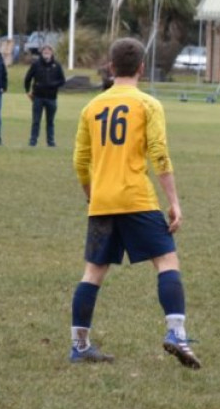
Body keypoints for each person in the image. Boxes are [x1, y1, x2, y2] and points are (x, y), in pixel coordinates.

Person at [68, 37, 199, 368]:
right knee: (166, 261)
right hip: (137, 198)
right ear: (142, 67)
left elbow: (80, 160)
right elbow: (159, 153)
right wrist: (174, 203)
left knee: (93, 271)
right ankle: (176, 334)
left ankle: (79, 346)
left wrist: (91, 195)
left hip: (102, 201)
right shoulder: (148, 105)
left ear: (111, 68)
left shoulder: (91, 107)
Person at [24, 44, 66, 147]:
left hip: (51, 98)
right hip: (38, 97)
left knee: (50, 121)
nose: (46, 53)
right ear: (41, 53)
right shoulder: (36, 64)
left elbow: (62, 81)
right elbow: (28, 78)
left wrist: (53, 85)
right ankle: (33, 141)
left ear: (52, 53)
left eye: (48, 51)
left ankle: (50, 141)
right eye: (44, 51)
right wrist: (27, 90)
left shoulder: (57, 65)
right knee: (36, 121)